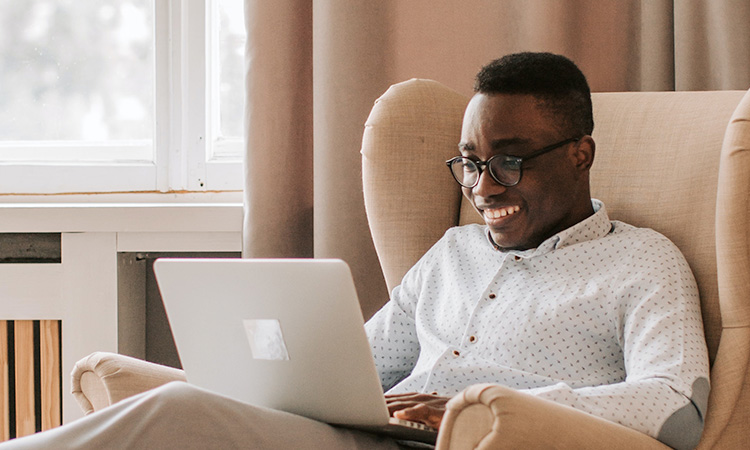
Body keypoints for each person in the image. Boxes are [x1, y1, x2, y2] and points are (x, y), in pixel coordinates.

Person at [2, 52, 708, 450]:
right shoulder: (452, 255)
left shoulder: (641, 262)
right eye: (469, 162)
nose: (483, 186)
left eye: (511, 161)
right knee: (183, 412)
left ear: (581, 153)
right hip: (369, 443)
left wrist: (490, 403)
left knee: (174, 419)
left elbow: (677, 408)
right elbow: (357, 366)